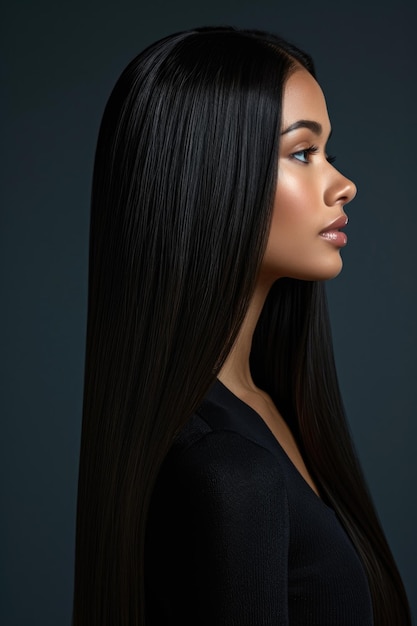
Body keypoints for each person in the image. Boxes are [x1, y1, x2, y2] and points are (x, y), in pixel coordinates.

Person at [73, 27, 411, 625]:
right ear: (212, 175)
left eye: (327, 151)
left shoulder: (262, 407)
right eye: (303, 153)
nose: (343, 184)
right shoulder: (227, 469)